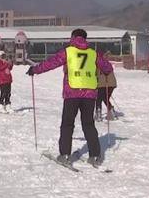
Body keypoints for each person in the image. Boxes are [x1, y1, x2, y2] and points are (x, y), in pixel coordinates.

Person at [26, 28, 113, 167]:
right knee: (88, 124)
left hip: (72, 92)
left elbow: (51, 63)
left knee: (67, 124)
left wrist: (35, 70)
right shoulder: (93, 53)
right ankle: (95, 155)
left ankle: (65, 154)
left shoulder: (68, 51)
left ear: (73, 37)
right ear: (85, 38)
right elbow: (108, 68)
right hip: (90, 93)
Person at [96, 51, 118, 121]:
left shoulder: (96, 64)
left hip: (102, 84)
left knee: (99, 98)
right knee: (105, 98)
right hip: (112, 83)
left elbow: (95, 75)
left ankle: (98, 114)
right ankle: (111, 111)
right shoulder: (107, 63)